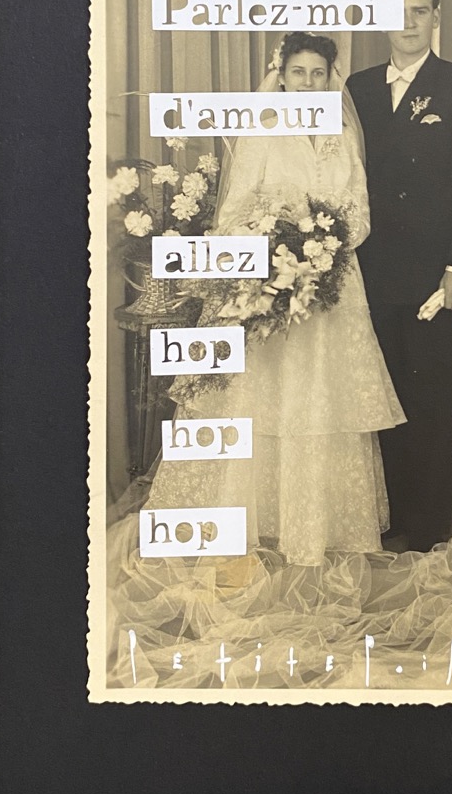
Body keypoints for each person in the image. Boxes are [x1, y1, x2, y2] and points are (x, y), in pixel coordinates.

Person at [143, 31, 405, 568]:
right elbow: (233, 214)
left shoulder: (342, 136)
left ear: (330, 80)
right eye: (298, 73)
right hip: (266, 293)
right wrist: (273, 256)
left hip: (333, 289)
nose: (308, 83)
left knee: (321, 399)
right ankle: (252, 521)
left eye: (318, 74)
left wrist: (324, 247)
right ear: (281, 76)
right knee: (262, 399)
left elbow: (360, 212)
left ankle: (313, 528)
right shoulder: (261, 130)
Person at [347, 0, 452, 552]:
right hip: (367, 271)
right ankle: (385, 521)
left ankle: (430, 529)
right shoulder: (357, 87)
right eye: (396, 12)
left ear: (437, 16)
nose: (408, 23)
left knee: (430, 400)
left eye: (419, 11)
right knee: (376, 396)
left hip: (435, 275)